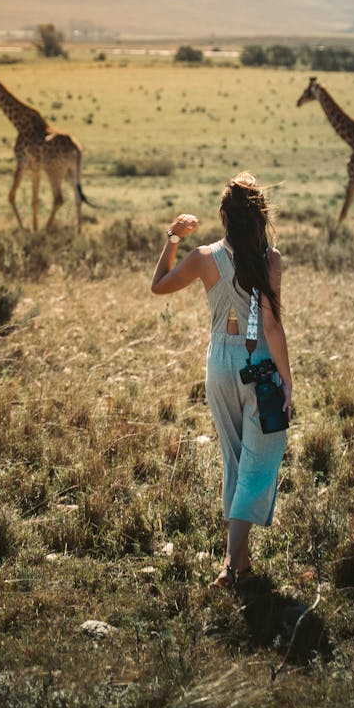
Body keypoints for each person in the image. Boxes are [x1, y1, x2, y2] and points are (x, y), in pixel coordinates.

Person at [151, 172, 292, 587]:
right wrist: (288, 381)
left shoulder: (202, 257)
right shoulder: (271, 260)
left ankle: (240, 566)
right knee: (258, 464)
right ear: (259, 220)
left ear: (223, 217)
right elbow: (271, 326)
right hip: (261, 365)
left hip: (219, 366)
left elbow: (158, 286)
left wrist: (172, 238)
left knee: (234, 461)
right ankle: (230, 567)